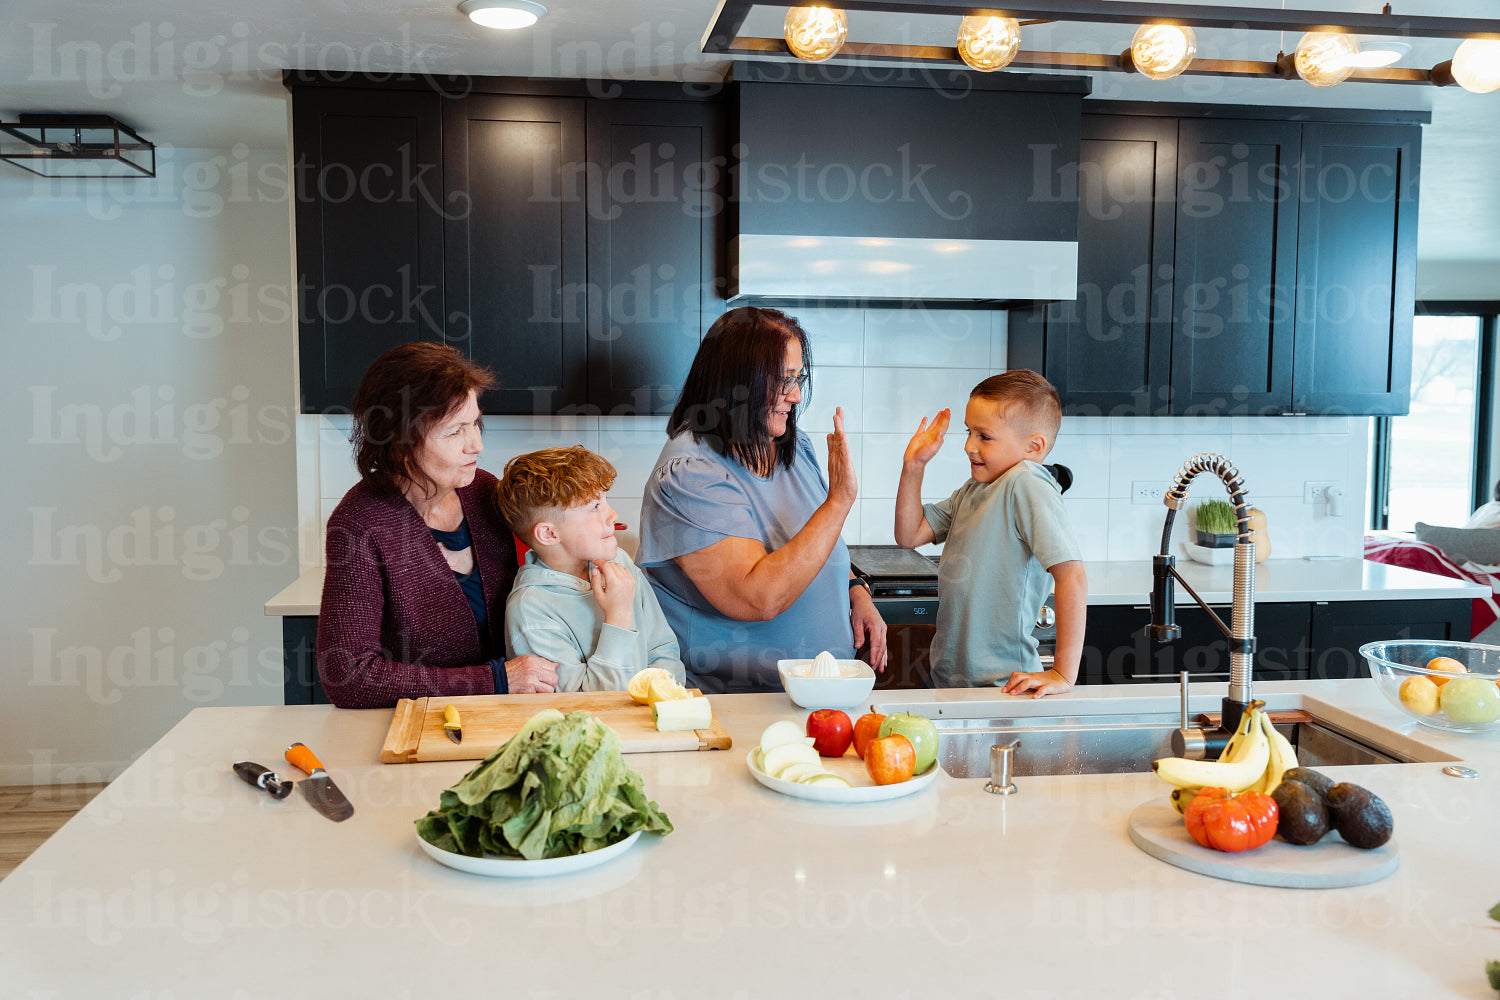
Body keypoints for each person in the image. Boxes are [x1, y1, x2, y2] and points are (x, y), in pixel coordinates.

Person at [636, 306, 887, 694]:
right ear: (736, 382)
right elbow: (759, 598)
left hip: (823, 696)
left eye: (798, 377)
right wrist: (839, 501)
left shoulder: (792, 445)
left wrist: (855, 589)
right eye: (783, 380)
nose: (797, 395)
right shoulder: (692, 473)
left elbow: (816, 541)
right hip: (735, 709)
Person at [317, 342, 559, 709]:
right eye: (454, 432)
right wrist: (494, 679)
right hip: (421, 726)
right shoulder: (360, 524)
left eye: (475, 423)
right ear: (399, 442)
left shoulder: (485, 493)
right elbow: (349, 675)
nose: (476, 444)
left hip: (511, 714)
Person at [894, 370, 1086, 697]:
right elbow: (909, 534)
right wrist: (913, 466)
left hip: (1003, 687)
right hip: (950, 680)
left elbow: (1072, 576)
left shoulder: (1026, 481)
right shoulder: (975, 488)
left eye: (984, 436)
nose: (969, 446)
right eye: (968, 432)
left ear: (1033, 447)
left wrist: (1063, 675)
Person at [494, 446, 687, 692]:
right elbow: (584, 703)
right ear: (550, 534)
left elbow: (663, 650)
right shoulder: (531, 610)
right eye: (594, 507)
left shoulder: (620, 562)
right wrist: (618, 617)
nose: (612, 514)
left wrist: (660, 700)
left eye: (605, 500)